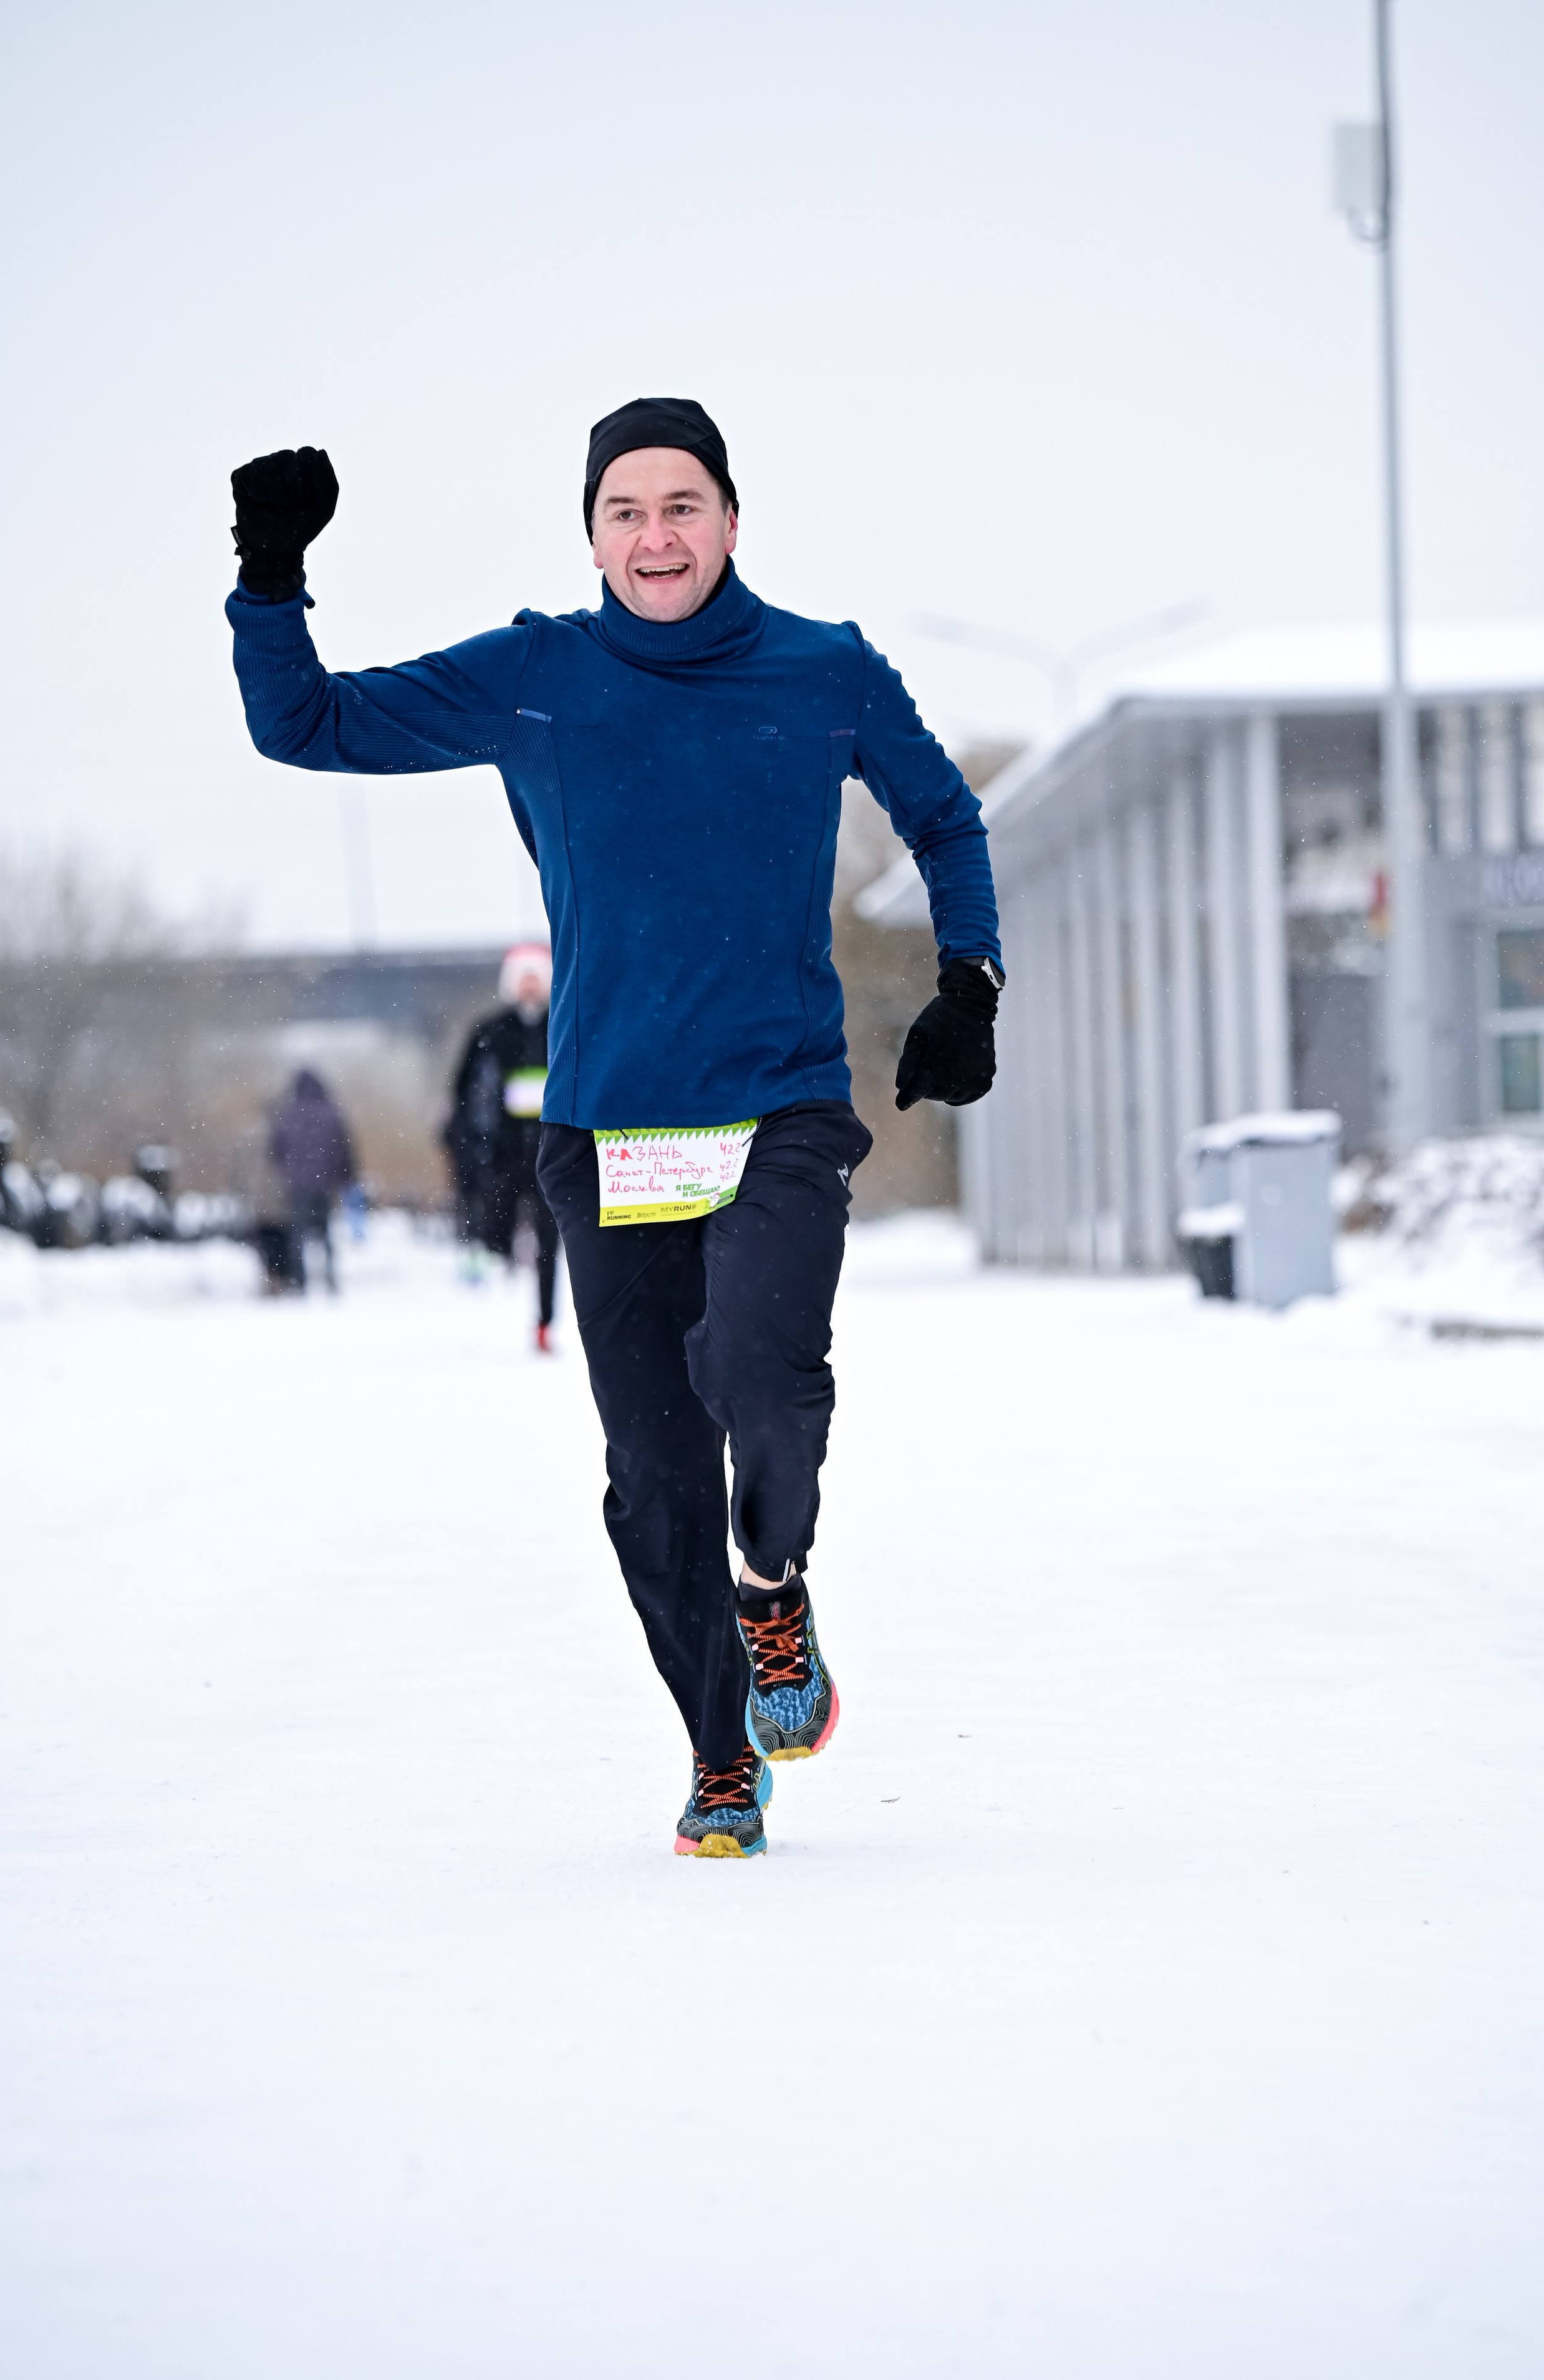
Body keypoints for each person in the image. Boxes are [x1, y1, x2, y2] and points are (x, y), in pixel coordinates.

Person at [226, 400, 1001, 1857]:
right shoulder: (537, 676)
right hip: (607, 1126)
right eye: (625, 511)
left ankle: (773, 1588)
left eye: (682, 504)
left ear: (730, 516)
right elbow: (305, 724)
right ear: (591, 532)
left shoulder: (821, 667)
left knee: (760, 1374)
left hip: (778, 1107)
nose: (656, 536)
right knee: (651, 1472)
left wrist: (968, 977)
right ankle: (721, 1751)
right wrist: (271, 581)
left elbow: (944, 818)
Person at [443, 942, 559, 1347]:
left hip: (555, 1151)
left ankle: (545, 1321)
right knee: (495, 1228)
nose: (529, 986)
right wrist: (470, 1145)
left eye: (536, 977)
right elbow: (462, 1093)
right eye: (522, 978)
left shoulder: (564, 1025)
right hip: (503, 1154)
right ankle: (489, 1266)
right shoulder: (489, 1032)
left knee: (550, 1238)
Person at [267, 1069, 356, 1293]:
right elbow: (344, 1148)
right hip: (325, 1184)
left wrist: (287, 1171)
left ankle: (300, 1281)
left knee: (298, 1235)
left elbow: (276, 1149)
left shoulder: (288, 1114)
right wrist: (347, 1177)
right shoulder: (331, 1113)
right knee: (325, 1232)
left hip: (297, 1185)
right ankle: (330, 1278)